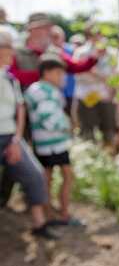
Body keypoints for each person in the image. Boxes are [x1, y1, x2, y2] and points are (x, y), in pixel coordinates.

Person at [0, 28, 56, 239]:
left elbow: (20, 108)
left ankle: (39, 224)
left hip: (9, 137)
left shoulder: (9, 78)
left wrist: (16, 139)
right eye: (7, 50)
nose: (11, 54)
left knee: (35, 175)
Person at [25, 53, 81, 226]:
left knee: (48, 178)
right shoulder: (43, 91)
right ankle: (59, 213)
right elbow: (48, 118)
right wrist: (67, 127)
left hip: (46, 142)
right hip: (52, 143)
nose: (62, 77)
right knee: (63, 176)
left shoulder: (38, 89)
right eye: (59, 73)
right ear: (47, 72)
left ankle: (51, 212)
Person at [8, 12, 101, 91]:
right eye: (43, 27)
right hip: (25, 104)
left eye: (48, 27)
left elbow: (74, 67)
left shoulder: (54, 51)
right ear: (32, 30)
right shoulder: (16, 51)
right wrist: (44, 76)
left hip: (51, 103)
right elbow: (11, 75)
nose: (48, 31)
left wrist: (93, 58)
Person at [73, 24, 116, 147]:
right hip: (86, 97)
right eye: (93, 33)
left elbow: (115, 76)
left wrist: (92, 72)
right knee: (88, 131)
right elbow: (79, 75)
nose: (97, 36)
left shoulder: (111, 53)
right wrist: (102, 77)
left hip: (106, 97)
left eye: (99, 33)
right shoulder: (81, 52)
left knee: (108, 131)